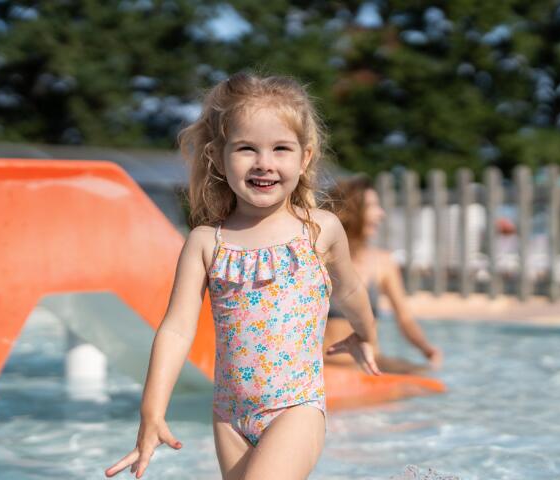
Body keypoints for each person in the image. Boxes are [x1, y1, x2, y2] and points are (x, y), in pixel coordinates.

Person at [105, 72, 381, 480]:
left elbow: (352, 289)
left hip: (296, 407)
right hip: (230, 418)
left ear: (304, 158)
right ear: (217, 156)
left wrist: (366, 334)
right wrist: (152, 411)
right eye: (247, 148)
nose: (264, 163)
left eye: (280, 149)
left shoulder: (318, 231)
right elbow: (176, 330)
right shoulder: (205, 242)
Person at [323, 175, 442, 374]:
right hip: (327, 365)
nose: (381, 213)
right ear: (351, 210)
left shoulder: (383, 262)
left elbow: (404, 318)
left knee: (426, 377)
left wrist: (427, 350)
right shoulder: (321, 258)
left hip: (370, 363)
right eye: (372, 206)